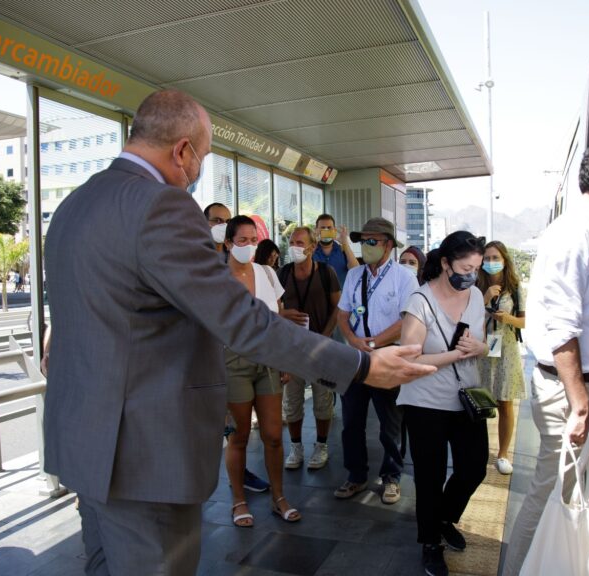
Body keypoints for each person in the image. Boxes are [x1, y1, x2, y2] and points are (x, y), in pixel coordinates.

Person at [43, 89, 434, 576]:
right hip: (146, 456)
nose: (198, 170)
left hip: (83, 442)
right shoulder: (161, 206)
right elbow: (241, 321)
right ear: (183, 151)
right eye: (202, 157)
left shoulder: (73, 206)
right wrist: (361, 366)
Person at [502, 139, 589, 575]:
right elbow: (561, 330)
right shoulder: (573, 236)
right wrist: (579, 405)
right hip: (575, 394)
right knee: (551, 493)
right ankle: (518, 569)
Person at [399, 231, 489, 575]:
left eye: (477, 268)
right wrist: (454, 354)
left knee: (474, 467)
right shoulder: (420, 300)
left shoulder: (476, 295)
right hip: (425, 403)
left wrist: (480, 348)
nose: (471, 275)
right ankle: (430, 542)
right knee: (430, 474)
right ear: (446, 263)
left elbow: (478, 339)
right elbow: (411, 358)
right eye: (466, 267)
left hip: (466, 398)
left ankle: (444, 518)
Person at [222, 215, 301, 526]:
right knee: (238, 436)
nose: (249, 246)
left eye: (253, 240)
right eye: (242, 240)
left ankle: (278, 497)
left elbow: (278, 318)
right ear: (228, 243)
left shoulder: (266, 273)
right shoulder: (216, 277)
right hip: (233, 361)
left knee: (272, 435)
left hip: (267, 360)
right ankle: (239, 501)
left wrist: (285, 359)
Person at [335, 217, 419, 505]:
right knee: (351, 422)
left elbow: (407, 319)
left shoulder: (405, 278)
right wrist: (353, 340)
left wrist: (375, 342)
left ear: (389, 245)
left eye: (372, 241)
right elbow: (343, 314)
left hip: (387, 356)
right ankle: (356, 475)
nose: (366, 246)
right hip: (356, 357)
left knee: (390, 423)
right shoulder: (354, 275)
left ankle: (392, 476)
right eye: (363, 241)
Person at [203, 202, 270, 494]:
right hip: (210, 362)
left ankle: (239, 478)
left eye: (226, 221)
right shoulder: (200, 265)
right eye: (217, 220)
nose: (222, 225)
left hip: (243, 359)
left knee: (236, 432)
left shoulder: (243, 267)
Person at [279, 226, 341, 470]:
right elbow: (274, 308)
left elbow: (338, 308)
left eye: (300, 242)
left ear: (312, 247)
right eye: (292, 242)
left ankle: (321, 445)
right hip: (292, 349)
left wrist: (325, 336)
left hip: (321, 347)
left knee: (322, 400)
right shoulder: (283, 274)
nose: (295, 247)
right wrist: (283, 314)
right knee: (291, 402)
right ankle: (296, 447)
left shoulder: (327, 273)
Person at [476, 240, 526, 475]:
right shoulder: (475, 285)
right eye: (487, 258)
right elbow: (464, 316)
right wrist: (484, 298)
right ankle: (479, 451)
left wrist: (508, 318)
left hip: (505, 349)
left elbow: (524, 322)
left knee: (505, 402)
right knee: (480, 402)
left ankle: (504, 453)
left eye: (496, 258)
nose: (491, 262)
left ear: (505, 260)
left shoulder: (515, 288)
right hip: (482, 349)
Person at [313, 213, 359, 289]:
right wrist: (312, 241)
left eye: (329, 228)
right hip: (317, 298)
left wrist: (345, 244)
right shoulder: (312, 250)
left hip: (340, 298)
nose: (326, 230)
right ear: (316, 230)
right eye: (322, 228)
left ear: (334, 230)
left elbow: (355, 269)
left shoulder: (343, 250)